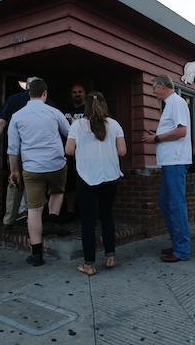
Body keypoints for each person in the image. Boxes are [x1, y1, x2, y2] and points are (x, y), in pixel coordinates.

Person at [7, 78, 71, 266]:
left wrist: (14, 171)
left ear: (29, 93)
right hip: (56, 164)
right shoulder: (54, 112)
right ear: (45, 94)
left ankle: (36, 254)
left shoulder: (17, 116)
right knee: (58, 191)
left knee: (34, 210)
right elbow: (69, 134)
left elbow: (13, 148)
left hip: (32, 168)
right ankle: (52, 219)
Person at [65, 91, 126, 276]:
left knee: (88, 221)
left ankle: (89, 264)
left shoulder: (78, 125)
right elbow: (122, 151)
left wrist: (84, 152)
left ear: (86, 107)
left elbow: (68, 150)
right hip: (111, 176)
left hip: (87, 177)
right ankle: (110, 256)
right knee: (107, 216)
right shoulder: (115, 124)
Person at [142, 75, 192, 263]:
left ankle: (182, 250)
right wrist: (158, 134)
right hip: (170, 161)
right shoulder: (171, 104)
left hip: (176, 161)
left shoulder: (175, 102)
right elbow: (175, 130)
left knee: (176, 204)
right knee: (165, 202)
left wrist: (156, 138)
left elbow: (181, 131)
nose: (153, 91)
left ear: (162, 86)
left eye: (154, 88)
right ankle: (178, 244)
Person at [0, 77, 39, 226]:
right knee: (33, 182)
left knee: (14, 182)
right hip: (34, 150)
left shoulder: (13, 99)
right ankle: (28, 214)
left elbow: (1, 123)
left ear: (27, 87)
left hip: (14, 151)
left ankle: (9, 219)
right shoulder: (44, 102)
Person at [62, 82, 87, 222]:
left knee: (83, 181)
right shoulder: (65, 110)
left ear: (84, 93)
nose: (77, 94)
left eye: (79, 92)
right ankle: (70, 211)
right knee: (69, 182)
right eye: (74, 92)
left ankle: (85, 210)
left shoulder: (88, 110)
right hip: (69, 152)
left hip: (84, 152)